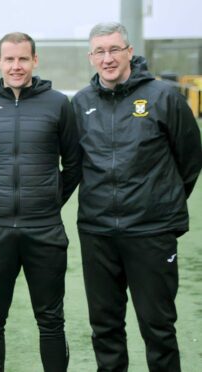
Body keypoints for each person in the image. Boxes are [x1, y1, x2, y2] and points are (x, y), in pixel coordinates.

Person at [72, 22, 202, 371]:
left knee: (158, 327)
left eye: (115, 49)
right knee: (105, 328)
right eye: (100, 51)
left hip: (151, 231)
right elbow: (74, 162)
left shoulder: (164, 97)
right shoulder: (81, 103)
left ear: (130, 52)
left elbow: (190, 158)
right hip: (97, 232)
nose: (108, 58)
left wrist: (160, 200)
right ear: (91, 57)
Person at [0, 32, 82, 372]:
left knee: (50, 320)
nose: (16, 66)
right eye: (9, 59)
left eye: (23, 59)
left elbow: (73, 163)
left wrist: (50, 200)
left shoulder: (58, 103)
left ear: (35, 61)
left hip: (44, 229)